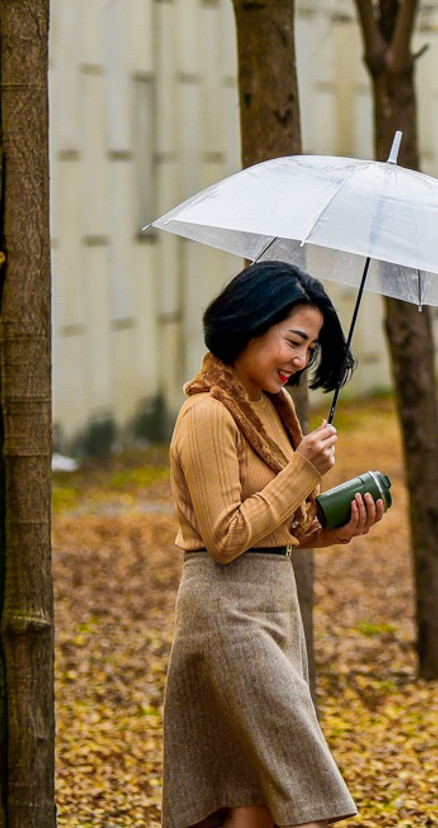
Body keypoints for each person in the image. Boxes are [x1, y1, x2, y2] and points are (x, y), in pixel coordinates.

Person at [162, 261, 386, 828]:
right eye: (293, 341)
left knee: (255, 803)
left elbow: (278, 528)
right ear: (250, 323)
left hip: (274, 608)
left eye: (309, 348)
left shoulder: (269, 404)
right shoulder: (208, 412)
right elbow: (225, 537)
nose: (299, 360)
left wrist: (337, 530)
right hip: (227, 614)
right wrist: (304, 469)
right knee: (305, 799)